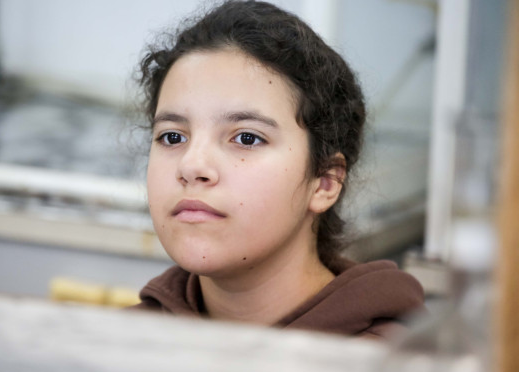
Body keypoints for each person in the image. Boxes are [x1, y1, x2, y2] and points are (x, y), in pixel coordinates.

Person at [128, 0, 425, 337]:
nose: (191, 165)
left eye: (247, 138)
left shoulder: (392, 361)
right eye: (172, 136)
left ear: (325, 182)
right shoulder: (115, 346)